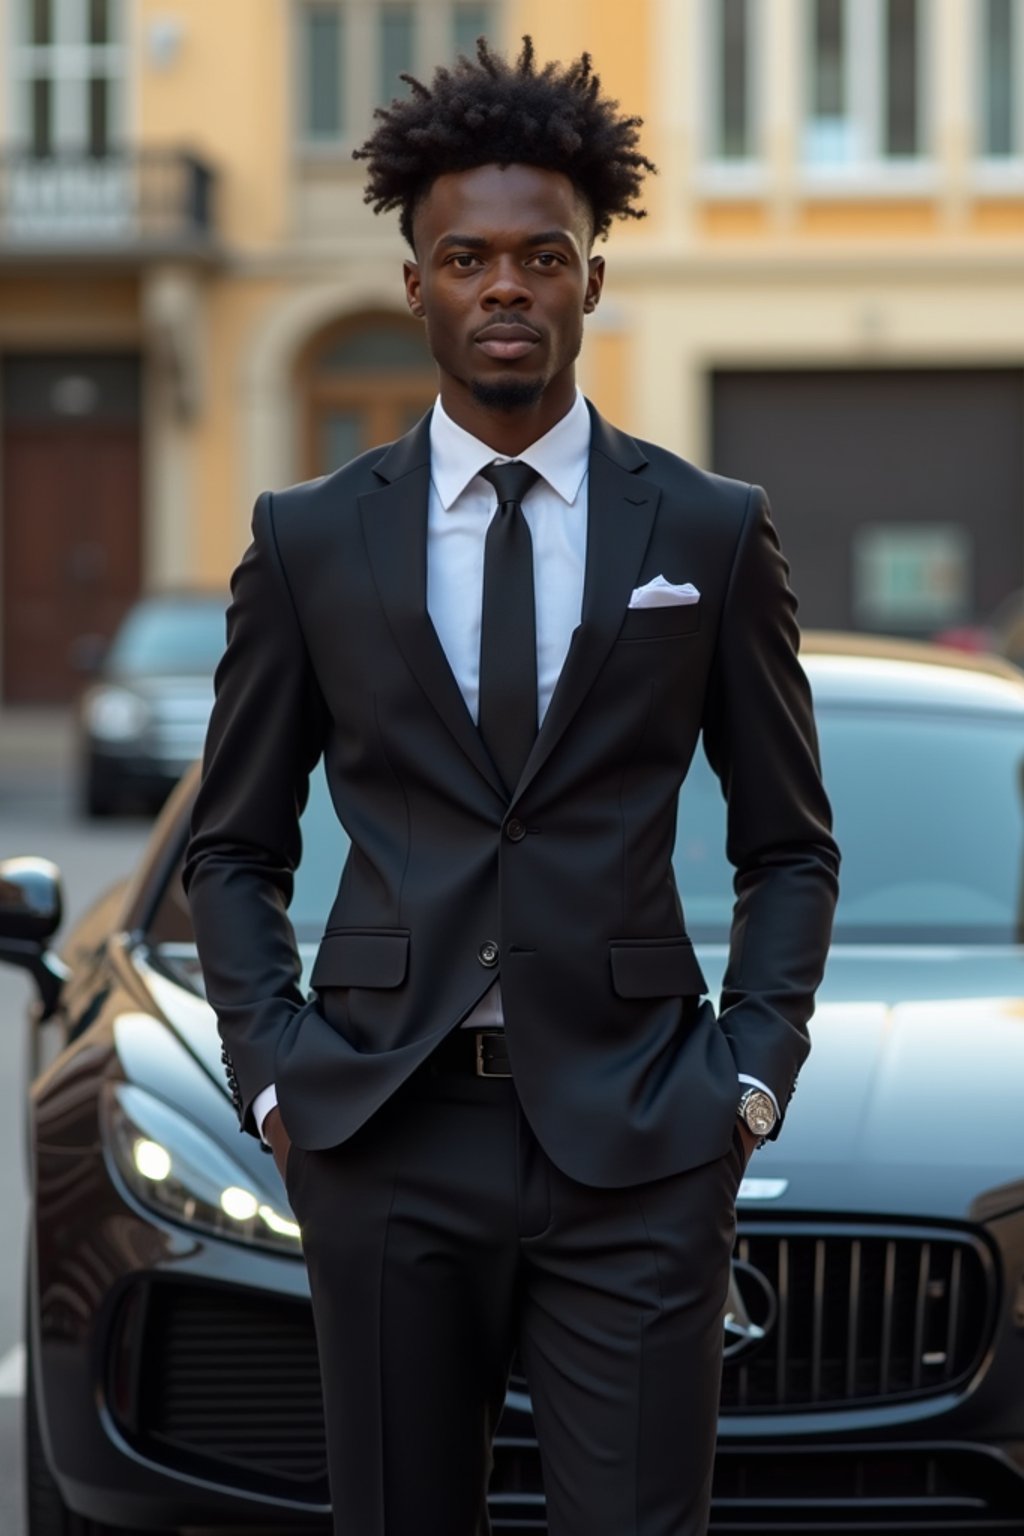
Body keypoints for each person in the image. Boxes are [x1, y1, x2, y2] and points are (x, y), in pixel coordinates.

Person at [184, 36, 839, 1536]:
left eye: (543, 256)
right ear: (414, 282)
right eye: (465, 257)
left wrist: (747, 1078)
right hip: (386, 1128)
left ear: (592, 280)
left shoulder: (713, 529)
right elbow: (232, 846)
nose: (505, 287)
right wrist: (278, 1075)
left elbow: (789, 844)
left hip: (638, 1134)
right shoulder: (310, 539)